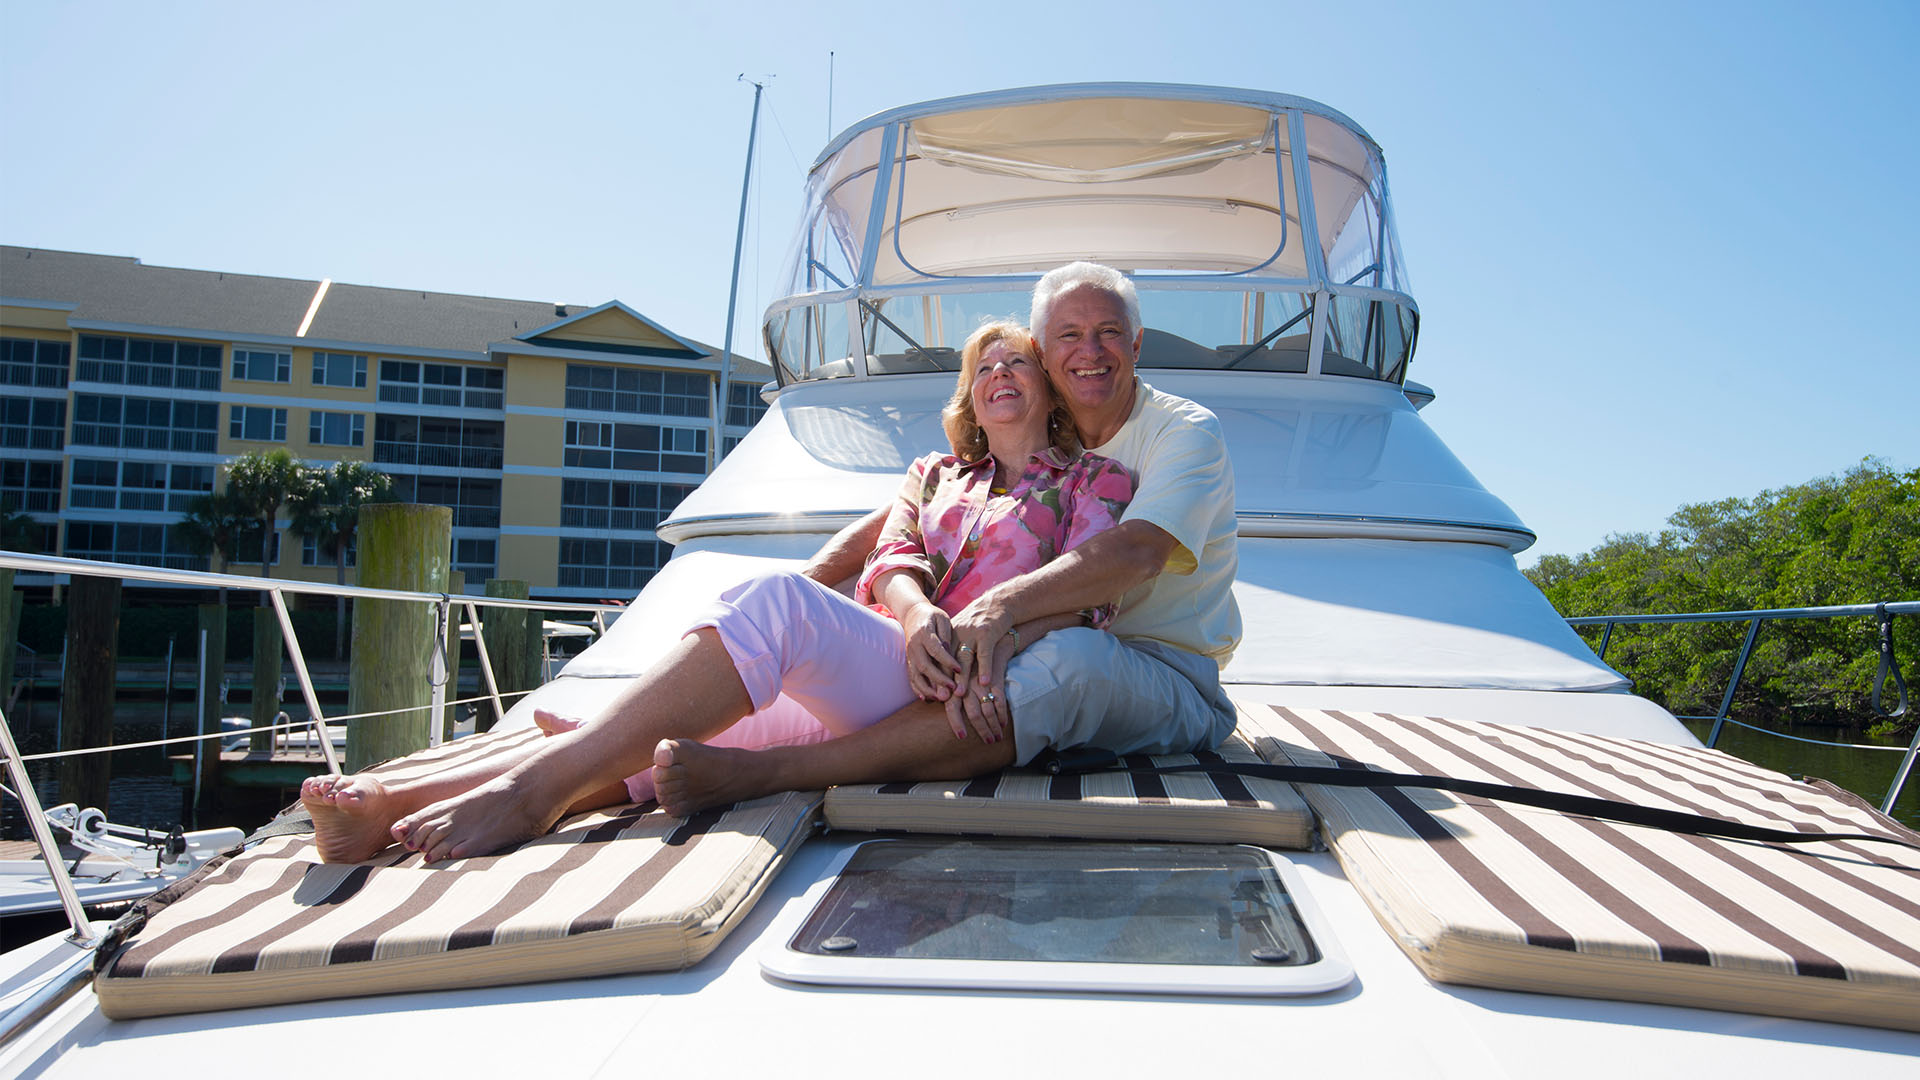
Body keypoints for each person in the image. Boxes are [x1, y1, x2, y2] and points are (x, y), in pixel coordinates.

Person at [301, 320, 1136, 863]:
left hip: (964, 681)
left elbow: (1086, 593)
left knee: (769, 606)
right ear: (968, 396)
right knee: (659, 737)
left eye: (1017, 363)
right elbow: (890, 558)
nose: (999, 374)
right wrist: (916, 617)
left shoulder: (1094, 482)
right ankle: (391, 808)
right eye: (983, 366)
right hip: (892, 659)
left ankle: (529, 795)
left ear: (1047, 389)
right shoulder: (931, 474)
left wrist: (994, 642)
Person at [649, 260, 1240, 815]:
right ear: (1044, 353)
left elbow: (1134, 552)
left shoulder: (1180, 433)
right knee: (807, 620)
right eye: (1069, 336)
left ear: (1136, 344)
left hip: (1164, 671)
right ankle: (618, 760)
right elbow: (908, 514)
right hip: (1028, 640)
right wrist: (811, 585)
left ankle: (774, 774)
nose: (1090, 351)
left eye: (1108, 332)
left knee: (1069, 660)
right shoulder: (1042, 441)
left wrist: (998, 615)